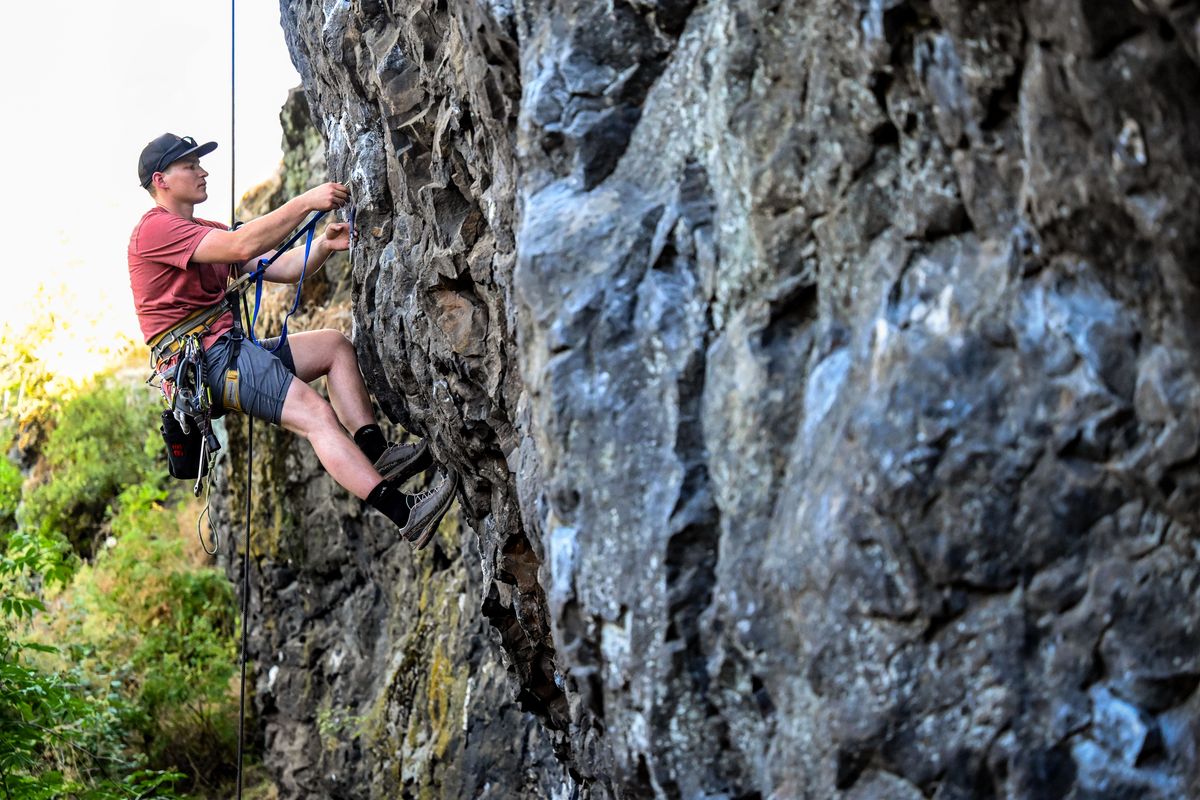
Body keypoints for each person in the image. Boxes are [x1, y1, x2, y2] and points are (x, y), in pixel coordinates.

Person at [128, 132, 457, 550]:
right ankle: (406, 514)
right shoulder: (155, 229)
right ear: (161, 180)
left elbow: (276, 264)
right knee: (315, 414)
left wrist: (322, 245)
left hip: (223, 353)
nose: (203, 171)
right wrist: (305, 201)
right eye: (190, 165)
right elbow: (243, 243)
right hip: (209, 362)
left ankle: (376, 454)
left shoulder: (202, 231)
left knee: (333, 347)